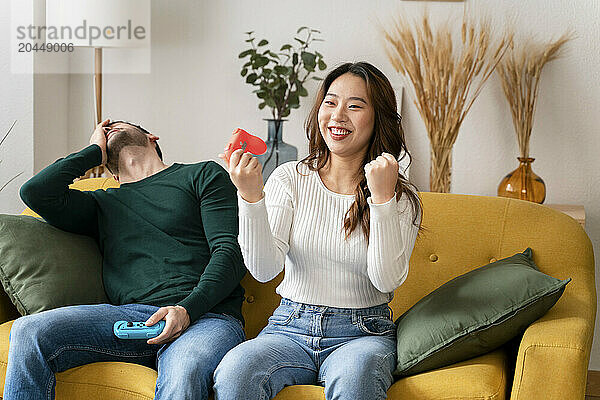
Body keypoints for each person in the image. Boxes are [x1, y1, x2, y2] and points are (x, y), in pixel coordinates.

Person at [213, 62, 424, 400]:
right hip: (289, 327)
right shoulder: (289, 178)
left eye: (355, 106)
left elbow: (386, 280)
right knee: (236, 371)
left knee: (356, 379)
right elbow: (264, 269)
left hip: (362, 334)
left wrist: (382, 199)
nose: (338, 115)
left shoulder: (400, 198)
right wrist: (251, 196)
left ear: (378, 118)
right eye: (331, 102)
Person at [6, 119, 247, 400]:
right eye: (104, 130)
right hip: (132, 320)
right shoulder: (101, 204)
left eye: (116, 124)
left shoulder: (202, 174)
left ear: (151, 137)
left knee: (185, 370)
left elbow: (230, 252)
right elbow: (35, 192)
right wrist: (94, 151)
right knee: (28, 331)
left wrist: (186, 310)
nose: (108, 129)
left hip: (207, 317)